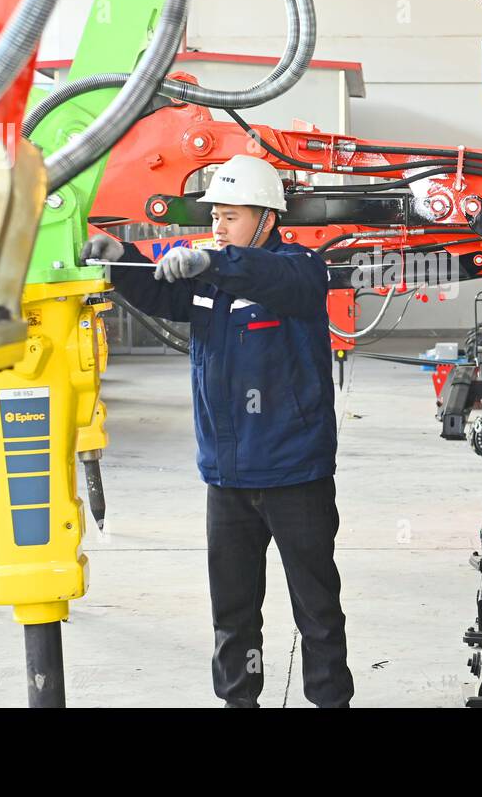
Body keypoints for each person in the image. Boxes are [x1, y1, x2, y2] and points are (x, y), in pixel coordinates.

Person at [81, 154, 353, 708]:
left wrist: (212, 259)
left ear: (268, 219)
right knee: (232, 614)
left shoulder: (299, 270)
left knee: (317, 609)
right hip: (226, 479)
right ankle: (238, 701)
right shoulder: (210, 278)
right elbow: (160, 292)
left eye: (231, 216)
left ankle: (330, 701)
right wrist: (121, 260)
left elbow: (273, 276)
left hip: (293, 473)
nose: (218, 226)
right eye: (216, 216)